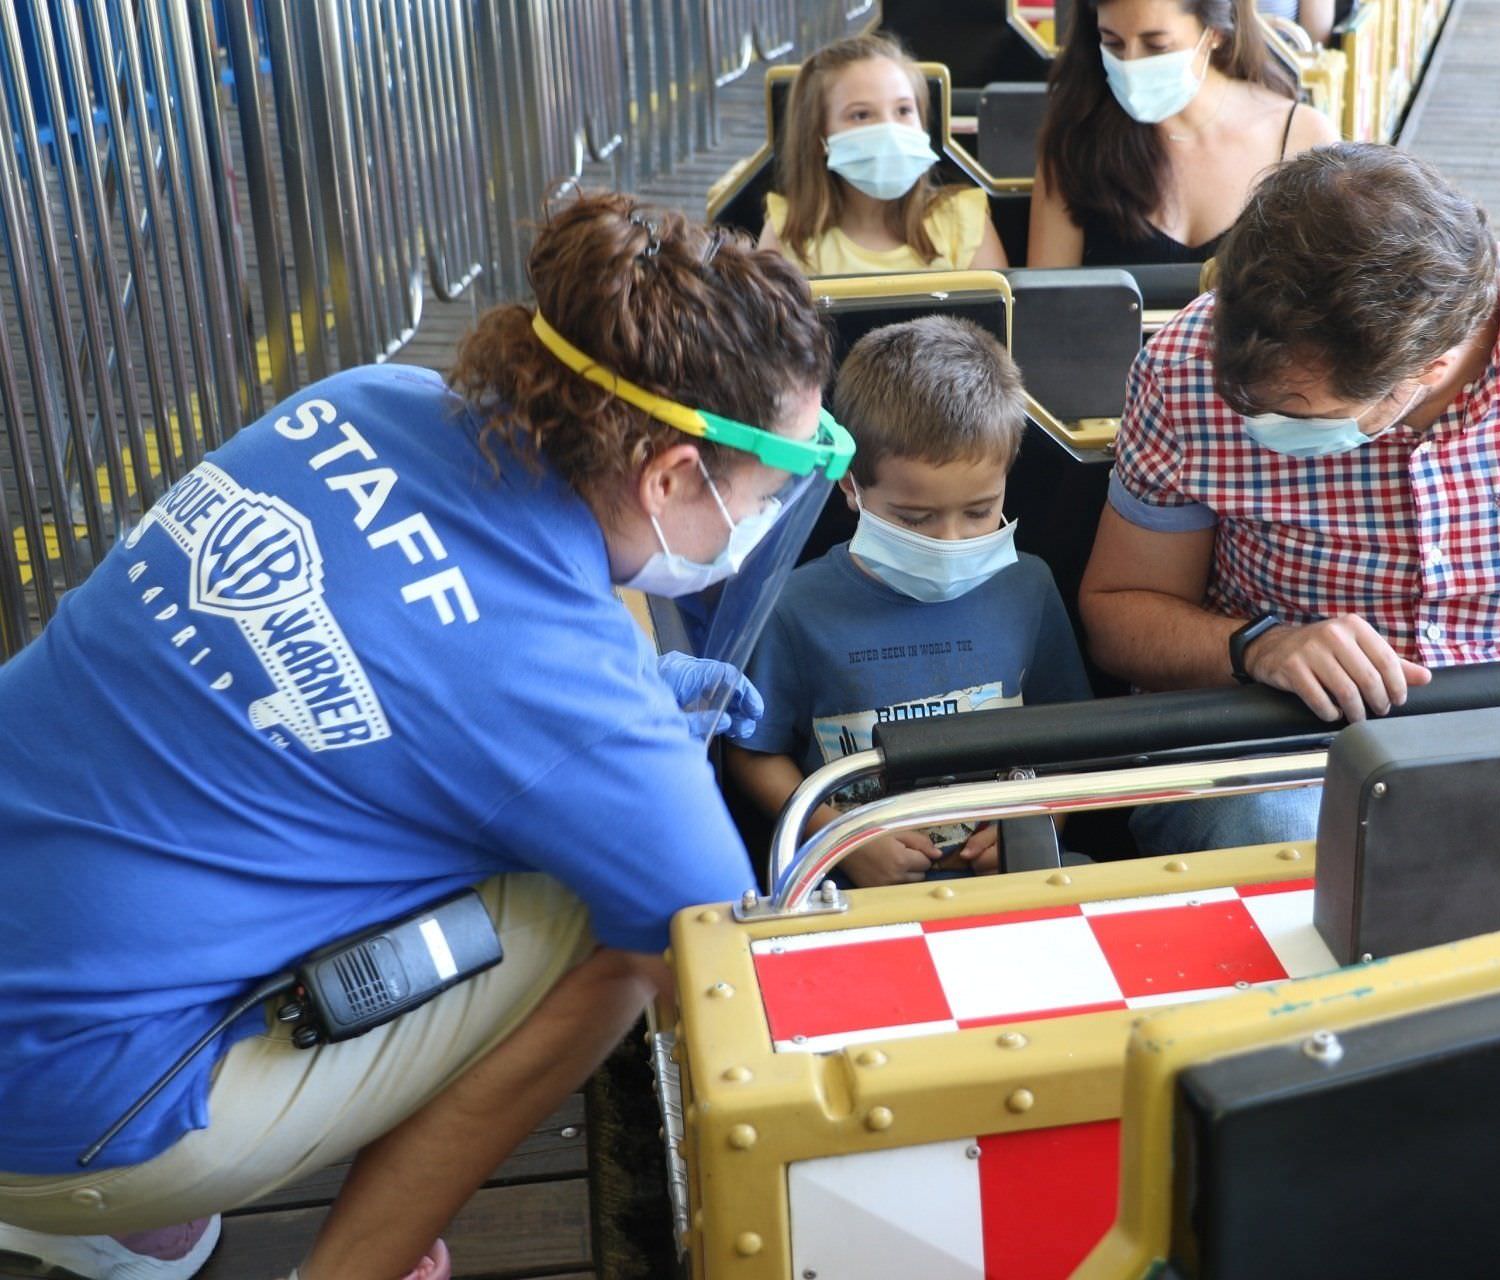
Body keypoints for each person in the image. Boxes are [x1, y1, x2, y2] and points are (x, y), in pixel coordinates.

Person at [0, 193, 850, 1280]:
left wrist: (630, 703)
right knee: (633, 928)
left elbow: (415, 636)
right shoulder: (571, 698)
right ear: (673, 475)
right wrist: (645, 764)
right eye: (773, 488)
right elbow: (720, 970)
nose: (769, 514)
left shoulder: (362, 398)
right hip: (72, 1106)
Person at [1079, 144, 1500, 853]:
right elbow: (1120, 610)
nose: (1257, 420)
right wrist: (1259, 646)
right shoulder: (1186, 365)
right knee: (1279, 846)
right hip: (1272, 741)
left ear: (1430, 370)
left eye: (1300, 416)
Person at [728, 317, 1091, 886]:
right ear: (851, 485)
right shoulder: (794, 607)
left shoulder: (1029, 587)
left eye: (979, 511)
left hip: (1012, 878)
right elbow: (753, 752)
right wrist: (836, 838)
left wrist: (1040, 823)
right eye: (915, 518)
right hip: (857, 890)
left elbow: (1073, 736)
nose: (949, 540)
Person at [1028, 0, 1340, 268]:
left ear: (1214, 33)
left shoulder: (1302, 137)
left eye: (1157, 46)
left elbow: (1331, 297)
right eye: (1113, 43)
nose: (1130, 65)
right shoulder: (1074, 140)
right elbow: (1046, 302)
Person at [760, 32, 1009, 275]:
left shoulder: (963, 222)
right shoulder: (786, 235)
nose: (890, 130)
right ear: (818, 137)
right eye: (861, 115)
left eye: (903, 110)